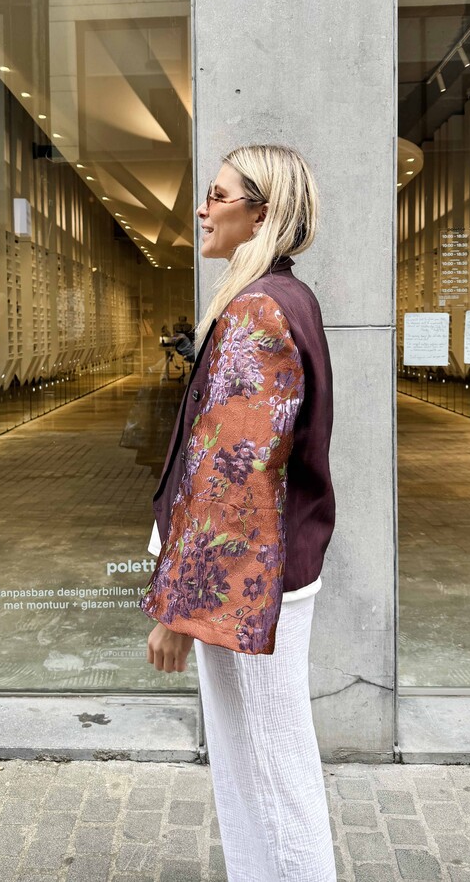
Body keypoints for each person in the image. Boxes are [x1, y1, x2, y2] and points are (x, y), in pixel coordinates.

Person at [140, 143, 337, 882]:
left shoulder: (259, 310)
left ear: (262, 210)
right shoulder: (283, 296)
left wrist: (177, 612)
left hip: (248, 581)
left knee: (270, 774)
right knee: (259, 768)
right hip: (263, 573)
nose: (203, 207)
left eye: (219, 196)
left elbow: (236, 477)